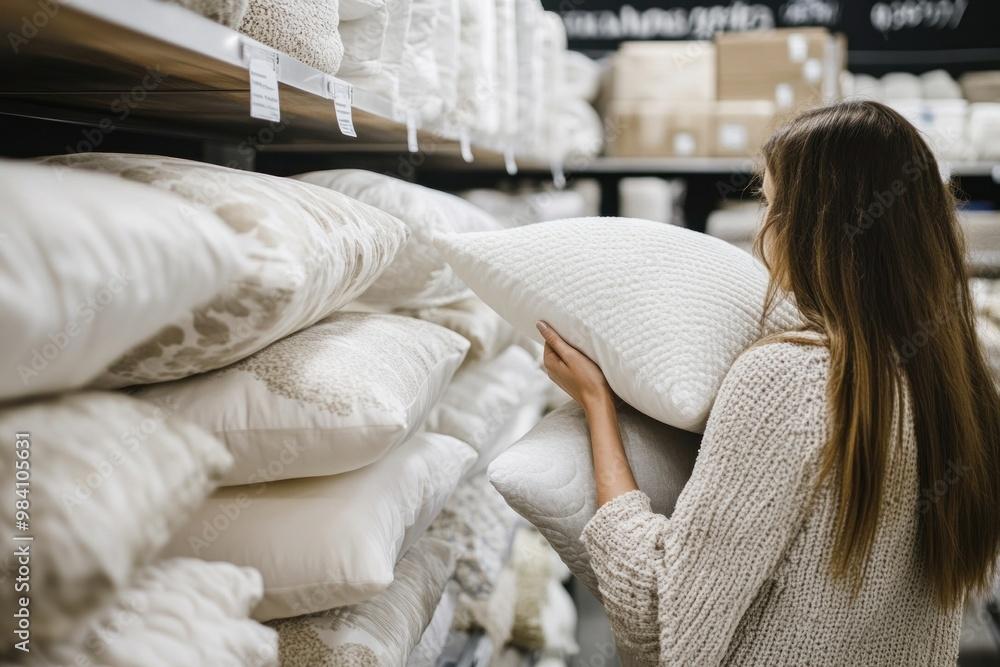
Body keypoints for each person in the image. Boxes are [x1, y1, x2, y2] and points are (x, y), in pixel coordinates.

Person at [536, 100, 1000, 666]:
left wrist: (596, 406)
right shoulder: (955, 380)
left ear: (814, 227)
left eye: (772, 204)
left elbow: (663, 620)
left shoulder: (787, 381)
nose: (762, 229)